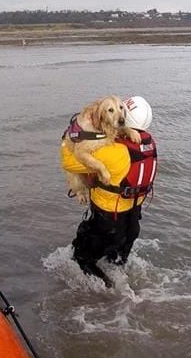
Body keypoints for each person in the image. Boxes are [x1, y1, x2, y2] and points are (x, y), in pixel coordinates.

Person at [61, 96, 157, 287]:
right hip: (133, 215)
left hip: (108, 214)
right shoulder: (149, 144)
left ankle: (107, 289)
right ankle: (120, 271)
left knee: (82, 256)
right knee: (119, 254)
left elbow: (69, 161)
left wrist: (66, 141)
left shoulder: (114, 152)